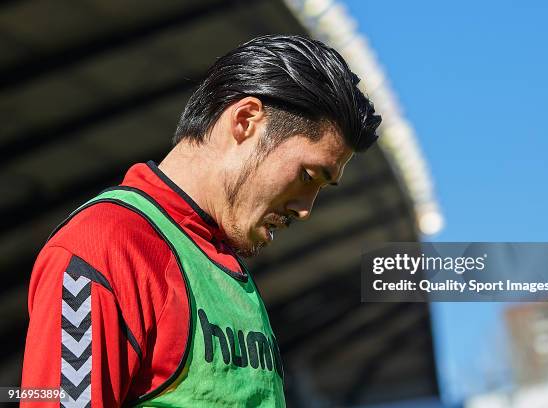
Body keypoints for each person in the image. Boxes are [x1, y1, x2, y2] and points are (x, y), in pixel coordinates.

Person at [21, 34, 381, 407]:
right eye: (308, 175)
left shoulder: (222, 267)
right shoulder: (105, 244)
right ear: (245, 121)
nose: (306, 209)